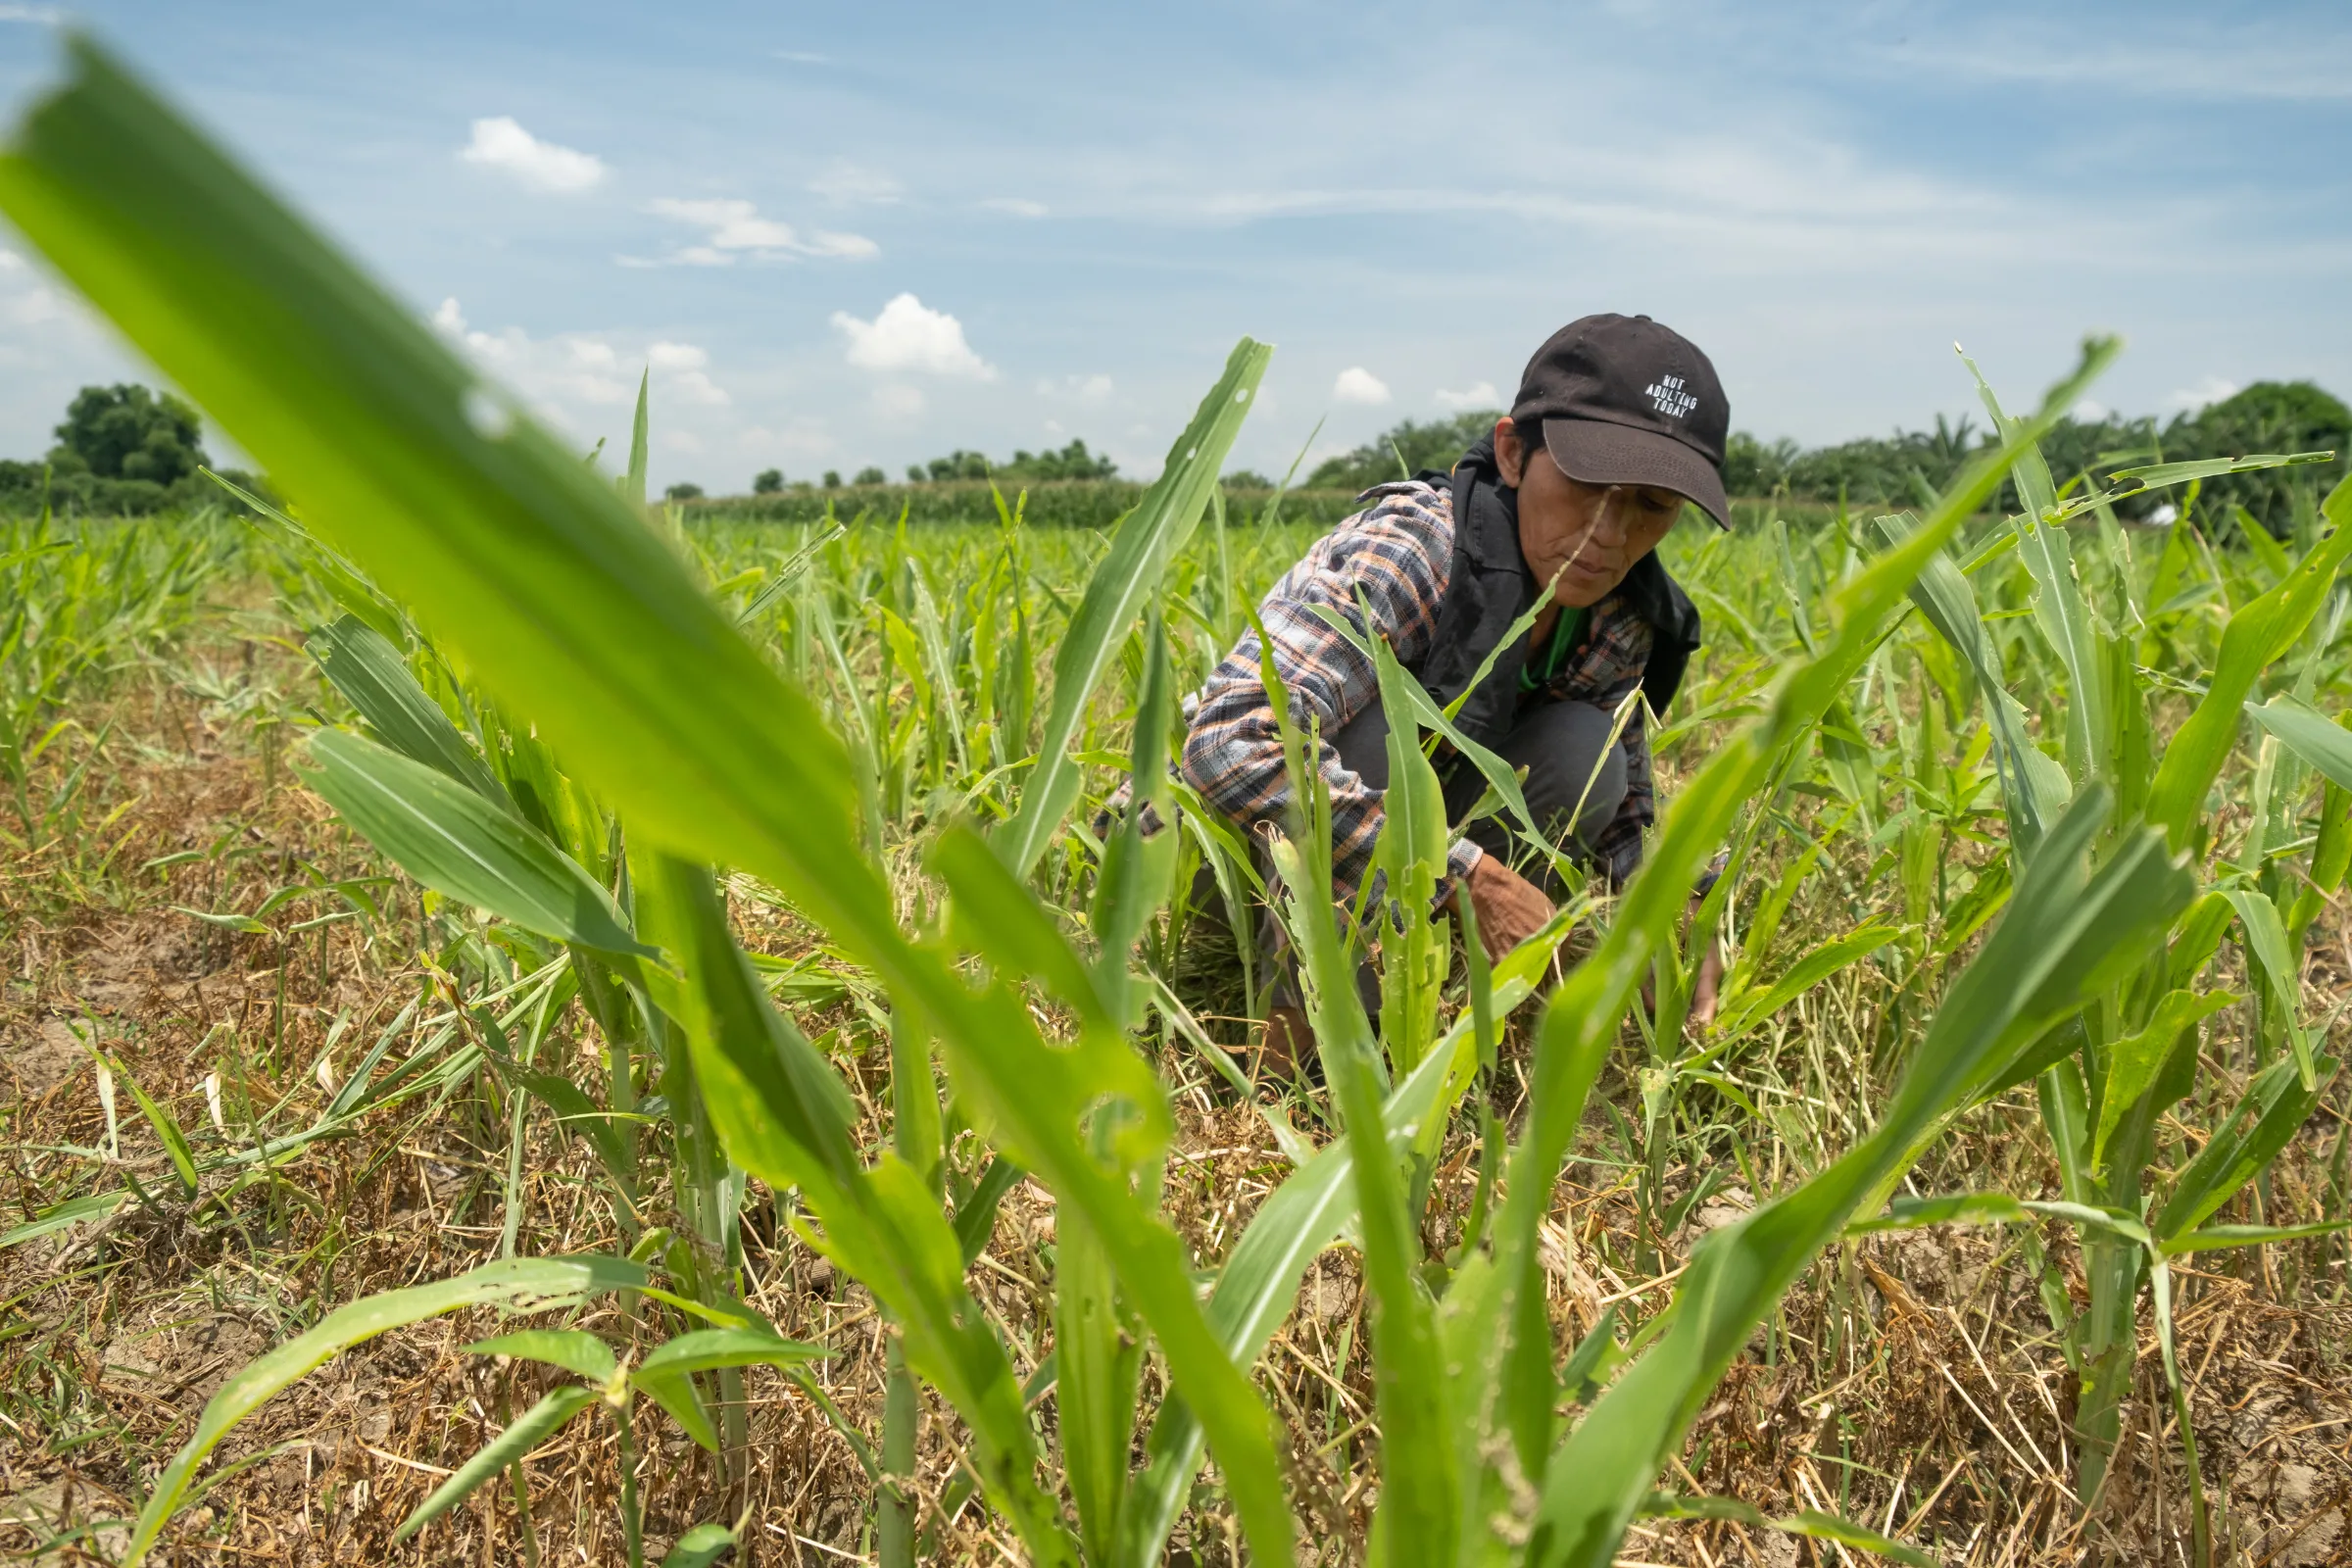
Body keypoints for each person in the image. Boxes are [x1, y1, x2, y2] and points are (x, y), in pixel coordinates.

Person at [1181, 313, 1731, 1072]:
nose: (1611, 531)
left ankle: (1405, 1004)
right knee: (1383, 742)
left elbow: (1624, 815)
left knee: (1588, 751)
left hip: (1383, 859)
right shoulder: (1421, 547)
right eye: (1587, 484)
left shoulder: (1621, 615)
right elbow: (1230, 743)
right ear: (1512, 453)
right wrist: (1465, 878)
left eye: (1651, 505)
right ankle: (1292, 1065)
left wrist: (1672, 906)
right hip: (1225, 865)